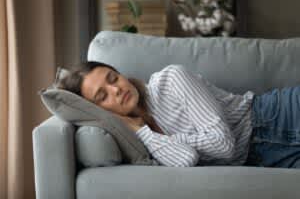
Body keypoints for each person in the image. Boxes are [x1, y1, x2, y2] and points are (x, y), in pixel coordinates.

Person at [59, 61, 300, 168]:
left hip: (278, 114)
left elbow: (224, 144)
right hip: (264, 158)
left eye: (113, 78)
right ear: (99, 110)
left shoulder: (171, 79)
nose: (116, 89)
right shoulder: (136, 136)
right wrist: (142, 131)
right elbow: (186, 160)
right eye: (103, 96)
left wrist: (165, 139)